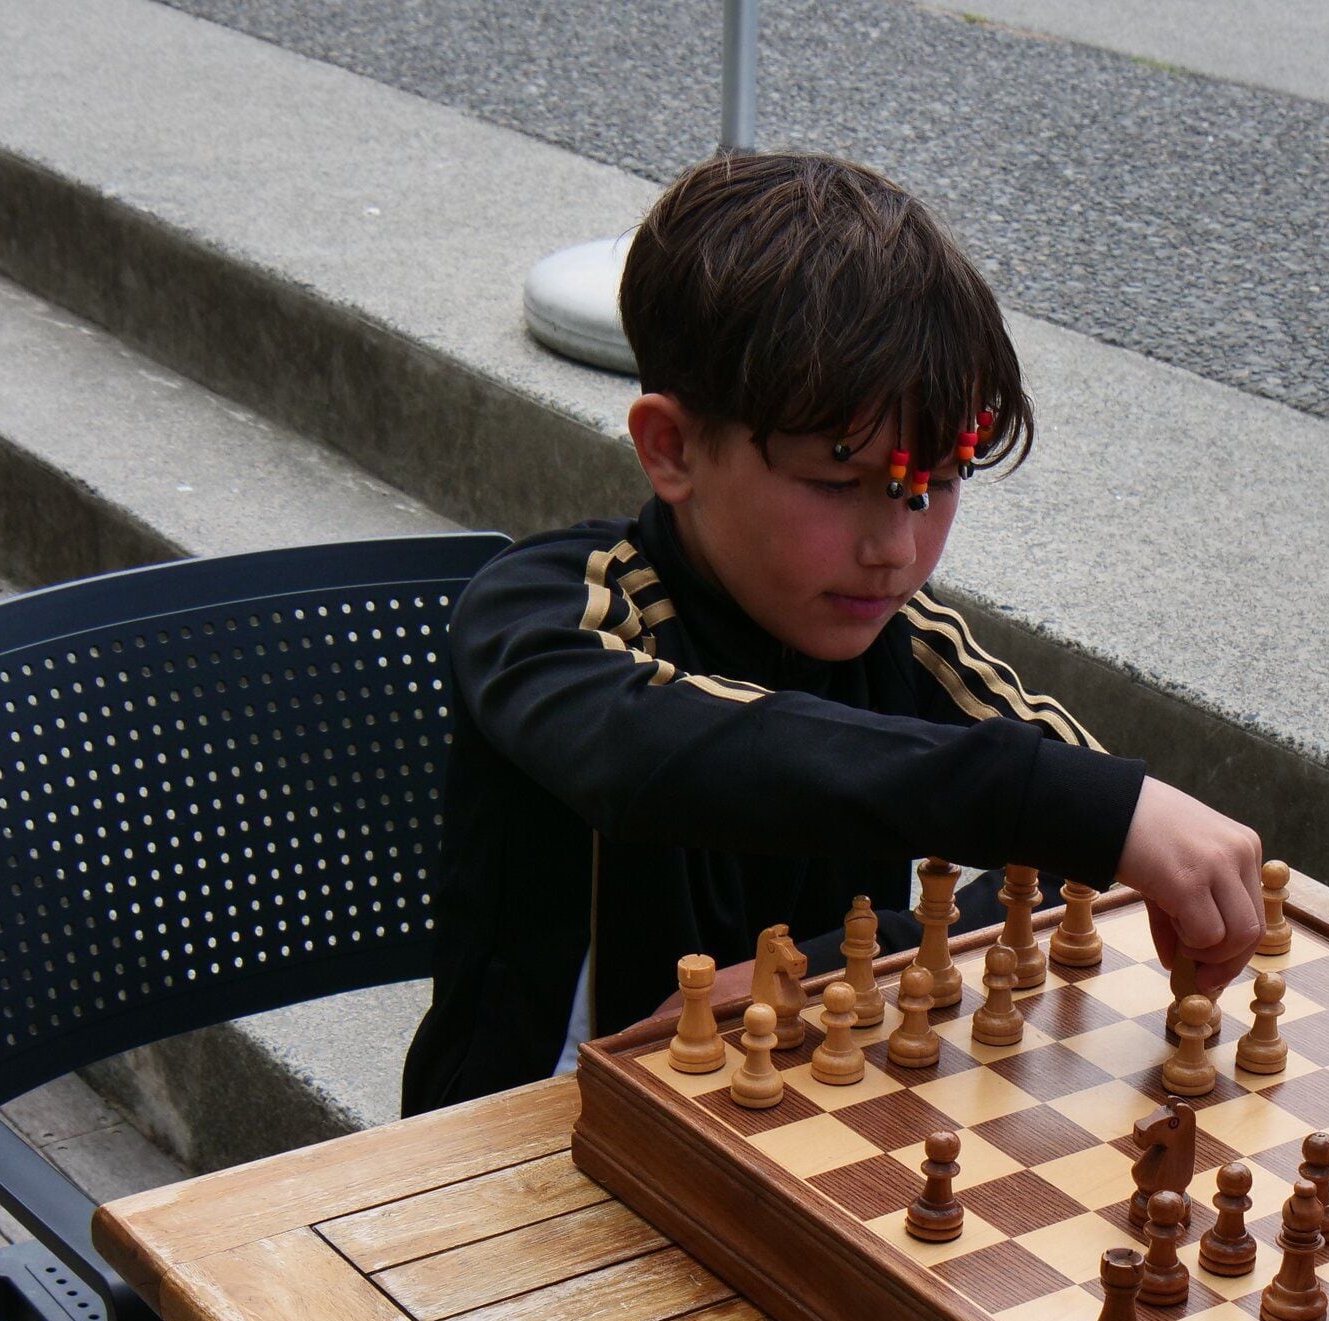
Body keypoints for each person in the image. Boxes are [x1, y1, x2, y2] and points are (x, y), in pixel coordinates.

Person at [401, 150, 1262, 1117]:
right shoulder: (543, 615)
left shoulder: (900, 634)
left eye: (932, 484)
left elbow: (1066, 848)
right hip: (521, 1146)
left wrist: (805, 972)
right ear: (672, 449)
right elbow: (664, 755)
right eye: (837, 484)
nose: (894, 550)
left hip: (794, 1112)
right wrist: (1072, 810)